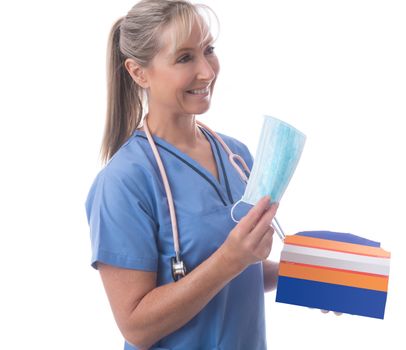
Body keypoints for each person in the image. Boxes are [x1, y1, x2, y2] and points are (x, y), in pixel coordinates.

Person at [85, 1, 280, 349]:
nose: (206, 71)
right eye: (185, 58)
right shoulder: (124, 182)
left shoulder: (237, 157)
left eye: (209, 50)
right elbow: (136, 327)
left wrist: (311, 278)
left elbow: (239, 274)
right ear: (138, 72)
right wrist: (229, 259)